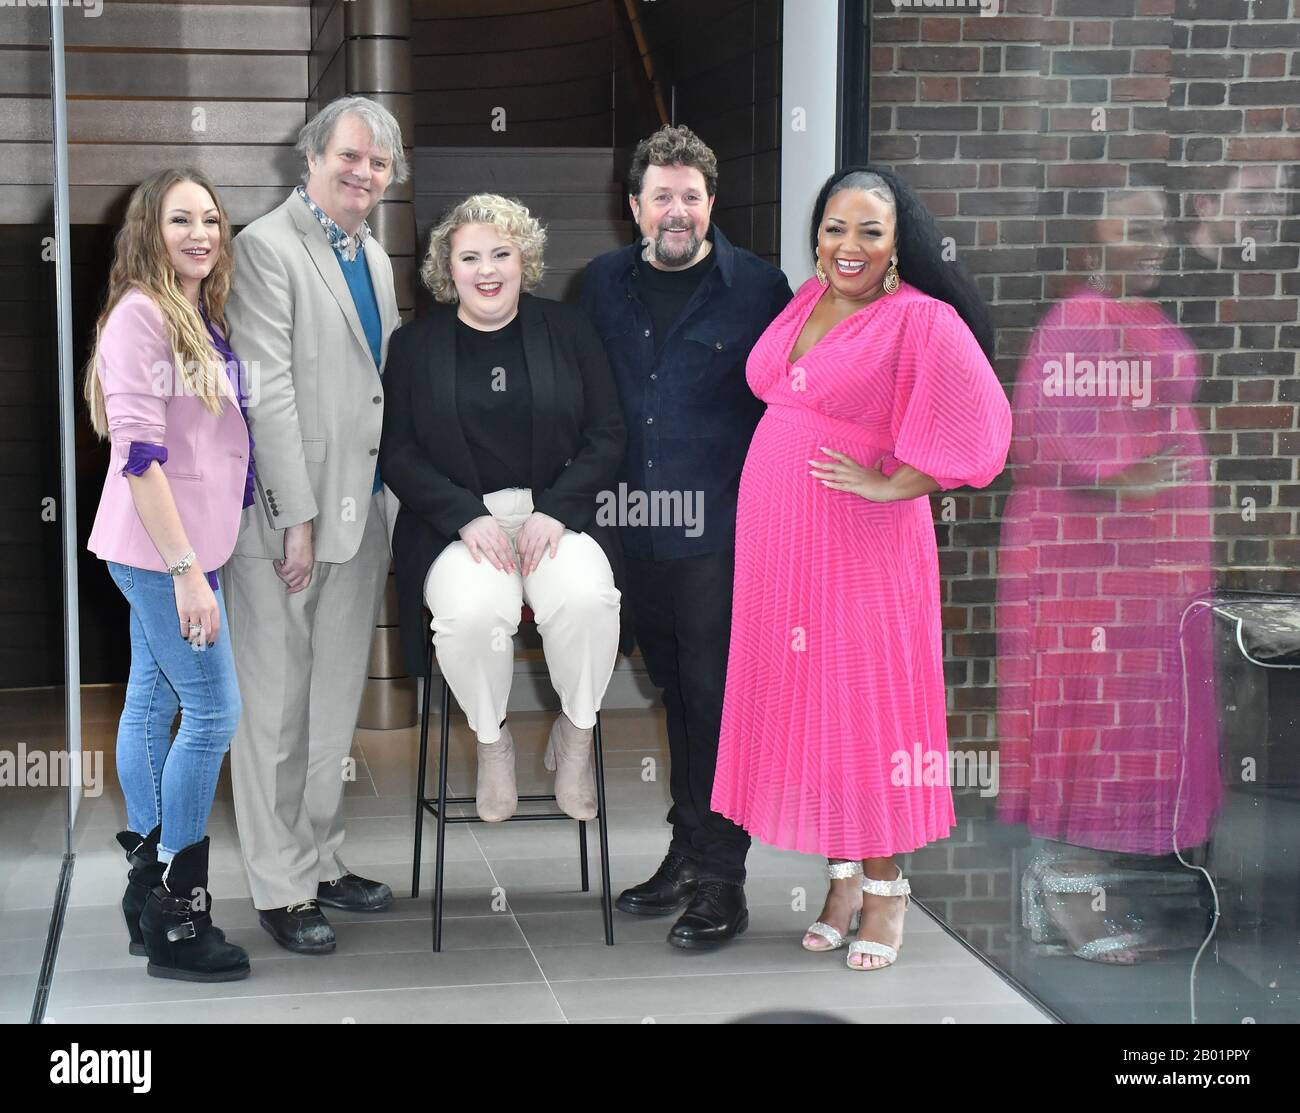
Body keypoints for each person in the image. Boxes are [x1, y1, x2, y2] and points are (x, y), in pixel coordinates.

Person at [710, 166, 1011, 969]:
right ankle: (842, 877)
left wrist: (890, 482)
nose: (851, 245)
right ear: (818, 235)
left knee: (861, 705)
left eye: (870, 231)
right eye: (837, 227)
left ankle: (886, 891)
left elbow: (978, 431)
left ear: (897, 243)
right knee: (813, 707)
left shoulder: (921, 319)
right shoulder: (806, 302)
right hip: (783, 542)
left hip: (861, 544)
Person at [580, 125, 794, 949]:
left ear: (712, 204)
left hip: (720, 533)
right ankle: (686, 843)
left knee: (716, 699)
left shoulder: (761, 289)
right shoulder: (599, 283)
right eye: (661, 196)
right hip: (631, 532)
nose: (677, 211)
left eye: (691, 197)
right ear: (633, 206)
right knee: (675, 689)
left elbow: (790, 403)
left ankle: (721, 879)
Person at [996, 181, 1220, 963]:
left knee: (1137, 720)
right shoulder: (1078, 321)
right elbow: (1048, 437)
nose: (1156, 238)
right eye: (1137, 225)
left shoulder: (1138, 316)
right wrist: (1127, 478)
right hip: (1092, 564)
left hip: (1144, 571)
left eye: (1162, 225)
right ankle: (1066, 897)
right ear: (1093, 233)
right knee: (1094, 717)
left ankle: (1082, 884)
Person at [220, 95, 406, 955]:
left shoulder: (372, 255)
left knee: (332, 702)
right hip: (286, 521)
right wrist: (292, 515)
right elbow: (269, 393)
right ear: (311, 157)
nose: (363, 173)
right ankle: (279, 883)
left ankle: (320, 854)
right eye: (351, 156)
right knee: (276, 709)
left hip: (362, 508)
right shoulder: (264, 247)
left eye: (378, 163)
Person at [381, 194, 625, 821]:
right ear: (448, 268)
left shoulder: (569, 330)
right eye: (470, 257)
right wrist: (464, 513)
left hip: (555, 518)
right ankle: (493, 743)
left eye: (501, 253)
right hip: (458, 528)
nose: (486, 270)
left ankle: (576, 733)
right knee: (469, 616)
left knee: (586, 601)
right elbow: (398, 452)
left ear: (525, 259)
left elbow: (608, 434)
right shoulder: (414, 346)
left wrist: (560, 508)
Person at [85, 167, 254, 981]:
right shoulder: (143, 315)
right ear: (148, 229)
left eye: (212, 221)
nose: (200, 233)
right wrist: (189, 572)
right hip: (162, 552)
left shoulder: (190, 311)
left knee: (154, 700)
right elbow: (140, 458)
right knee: (215, 711)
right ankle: (180, 915)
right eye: (181, 219)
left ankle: (148, 887)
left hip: (180, 549)